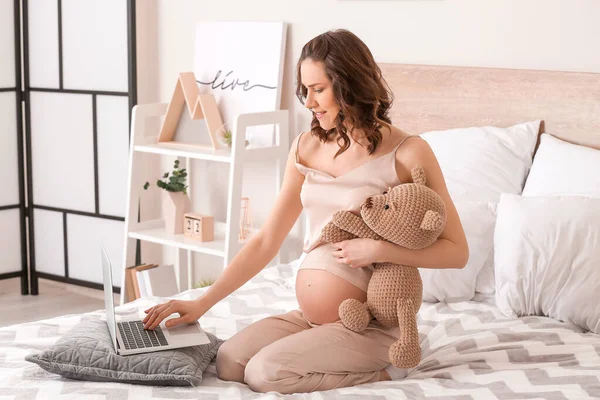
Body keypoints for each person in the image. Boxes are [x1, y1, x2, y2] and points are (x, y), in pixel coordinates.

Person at [142, 29, 469, 394]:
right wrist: (201, 302)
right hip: (312, 320)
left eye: (319, 89)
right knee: (229, 361)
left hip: (371, 324)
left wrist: (380, 251)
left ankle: (390, 370)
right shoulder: (306, 147)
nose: (309, 102)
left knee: (265, 374)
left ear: (350, 85)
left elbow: (457, 251)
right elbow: (267, 240)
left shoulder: (408, 152)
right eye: (305, 90)